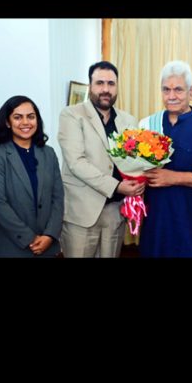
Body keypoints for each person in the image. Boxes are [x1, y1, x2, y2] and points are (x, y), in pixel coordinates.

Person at [57, 61, 144, 258]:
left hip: (115, 212)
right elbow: (77, 163)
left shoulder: (129, 121)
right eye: (100, 83)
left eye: (111, 84)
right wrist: (117, 186)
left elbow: (135, 161)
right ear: (90, 85)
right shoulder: (71, 115)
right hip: (81, 213)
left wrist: (138, 182)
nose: (106, 89)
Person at [139, 60, 192, 257]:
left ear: (191, 92)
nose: (171, 96)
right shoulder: (149, 126)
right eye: (166, 90)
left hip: (191, 226)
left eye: (178, 90)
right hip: (156, 224)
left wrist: (171, 178)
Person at [0, 96, 64, 257]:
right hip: (12, 246)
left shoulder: (48, 153)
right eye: (17, 117)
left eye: (31, 116)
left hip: (47, 245)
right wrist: (30, 238)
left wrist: (49, 235)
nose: (25, 122)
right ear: (7, 122)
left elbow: (58, 197)